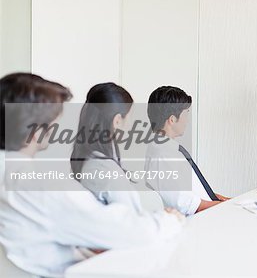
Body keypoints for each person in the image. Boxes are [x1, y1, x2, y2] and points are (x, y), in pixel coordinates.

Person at [0, 73, 184, 278]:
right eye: (53, 121)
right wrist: (169, 219)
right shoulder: (42, 186)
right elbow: (131, 231)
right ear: (35, 131)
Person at [145, 86, 229, 216]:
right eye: (186, 113)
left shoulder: (168, 149)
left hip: (207, 214)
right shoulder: (163, 155)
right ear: (172, 119)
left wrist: (223, 200)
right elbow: (189, 205)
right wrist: (231, 206)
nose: (187, 120)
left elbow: (194, 195)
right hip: (198, 224)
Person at [71, 83, 141, 211]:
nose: (132, 123)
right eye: (130, 117)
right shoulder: (104, 170)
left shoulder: (92, 161)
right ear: (117, 120)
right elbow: (132, 221)